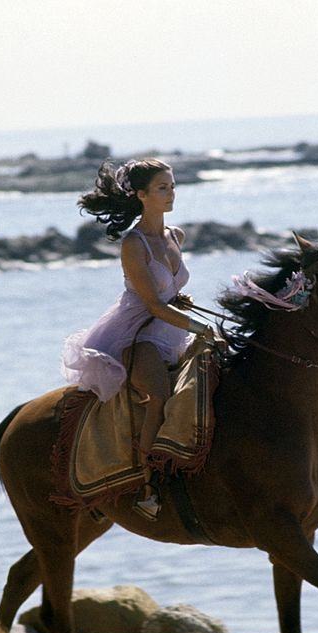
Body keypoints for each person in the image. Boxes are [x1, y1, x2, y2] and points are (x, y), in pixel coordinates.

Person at [61, 158, 211, 519]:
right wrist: (199, 328)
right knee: (158, 394)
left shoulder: (176, 236)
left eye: (172, 186)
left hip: (172, 329)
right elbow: (153, 305)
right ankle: (149, 487)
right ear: (142, 195)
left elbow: (169, 294)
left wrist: (184, 304)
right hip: (136, 334)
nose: (171, 193)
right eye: (163, 188)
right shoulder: (134, 244)